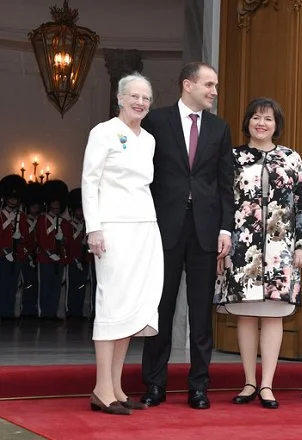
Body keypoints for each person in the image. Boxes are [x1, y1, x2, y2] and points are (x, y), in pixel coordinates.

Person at [140, 62, 234, 410]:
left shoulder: (219, 129)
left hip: (206, 232)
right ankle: (153, 384)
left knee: (200, 314)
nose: (214, 91)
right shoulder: (157, 122)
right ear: (188, 84)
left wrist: (226, 228)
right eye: (209, 84)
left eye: (216, 85)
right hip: (163, 230)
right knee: (160, 309)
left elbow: (225, 184)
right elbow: (144, 177)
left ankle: (199, 386)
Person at [214, 97, 302, 409]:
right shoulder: (233, 158)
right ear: (248, 122)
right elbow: (223, 201)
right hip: (242, 248)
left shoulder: (291, 158)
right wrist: (222, 240)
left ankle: (267, 384)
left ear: (276, 125)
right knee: (244, 314)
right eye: (256, 117)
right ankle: (248, 382)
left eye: (268, 119)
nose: (261, 123)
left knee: (273, 315)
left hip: (281, 250)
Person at [82, 72, 163, 415]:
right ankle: (101, 388)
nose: (140, 102)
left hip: (145, 228)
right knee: (112, 303)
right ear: (119, 97)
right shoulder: (103, 132)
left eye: (146, 97)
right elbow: (89, 181)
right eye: (134, 96)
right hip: (112, 229)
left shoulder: (148, 140)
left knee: (133, 305)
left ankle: (115, 387)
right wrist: (93, 228)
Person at [36, 179, 70, 320]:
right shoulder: (42, 219)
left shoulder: (64, 222)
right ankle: (44, 313)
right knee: (45, 287)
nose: (56, 207)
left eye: (58, 204)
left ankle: (52, 313)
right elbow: (41, 238)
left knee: (56, 288)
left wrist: (62, 240)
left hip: (59, 258)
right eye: (53, 204)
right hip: (45, 258)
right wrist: (50, 253)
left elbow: (67, 241)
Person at [0, 174, 27, 319]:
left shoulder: (21, 216)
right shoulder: (1, 215)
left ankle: (9, 312)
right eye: (11, 197)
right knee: (2, 285)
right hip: (3, 255)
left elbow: (26, 236)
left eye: (15, 198)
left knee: (12, 285)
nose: (13, 200)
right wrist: (4, 251)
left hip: (17, 255)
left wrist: (20, 236)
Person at [20, 182, 43, 318]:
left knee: (38, 284)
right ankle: (27, 310)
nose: (36, 208)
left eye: (37, 206)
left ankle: (34, 309)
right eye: (33, 206)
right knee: (27, 284)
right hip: (26, 255)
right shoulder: (24, 220)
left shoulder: (41, 221)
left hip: (38, 255)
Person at [65, 188, 89, 319]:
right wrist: (75, 259)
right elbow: (69, 243)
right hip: (72, 260)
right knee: (72, 287)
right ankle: (71, 311)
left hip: (84, 259)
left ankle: (79, 311)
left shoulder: (87, 225)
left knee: (81, 287)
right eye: (78, 209)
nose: (80, 212)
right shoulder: (69, 225)